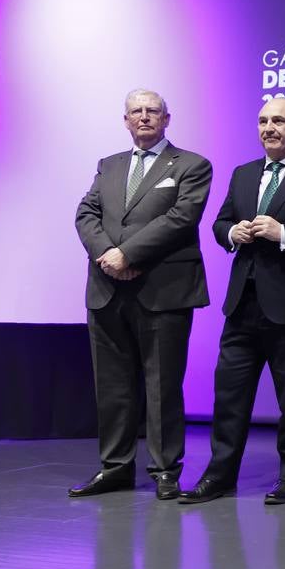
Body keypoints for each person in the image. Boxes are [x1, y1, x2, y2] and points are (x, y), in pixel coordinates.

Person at [179, 98, 285, 506]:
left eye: (279, 121)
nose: (269, 127)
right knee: (229, 397)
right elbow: (219, 222)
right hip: (242, 304)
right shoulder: (244, 173)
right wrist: (233, 234)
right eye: (263, 120)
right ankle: (219, 476)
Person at [71, 89, 212, 499]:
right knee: (112, 386)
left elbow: (181, 218)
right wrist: (107, 255)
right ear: (126, 119)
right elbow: (86, 213)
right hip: (107, 288)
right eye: (137, 111)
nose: (145, 117)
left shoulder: (191, 164)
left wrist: (128, 253)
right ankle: (114, 467)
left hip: (163, 290)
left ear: (167, 119)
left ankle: (165, 470)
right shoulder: (109, 165)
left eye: (153, 111)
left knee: (162, 385)